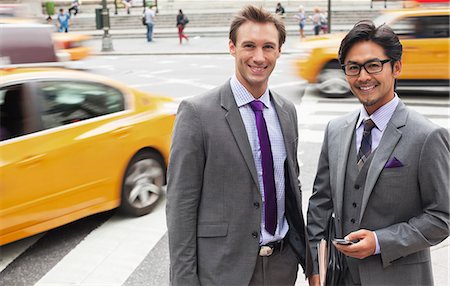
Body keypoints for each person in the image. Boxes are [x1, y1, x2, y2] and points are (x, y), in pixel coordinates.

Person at [167, 5, 312, 286]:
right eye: (249, 46)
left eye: (268, 47)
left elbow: (290, 186)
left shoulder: (286, 111)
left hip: (282, 267)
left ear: (279, 51)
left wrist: (304, 256)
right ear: (232, 47)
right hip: (223, 271)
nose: (259, 57)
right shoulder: (197, 113)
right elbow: (180, 205)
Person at [307, 20, 449, 286]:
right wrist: (315, 266)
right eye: (353, 68)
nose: (363, 77)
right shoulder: (335, 130)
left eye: (373, 65)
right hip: (339, 276)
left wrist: (380, 242)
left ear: (396, 67)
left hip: (399, 278)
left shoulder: (427, 136)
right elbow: (320, 205)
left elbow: (442, 217)